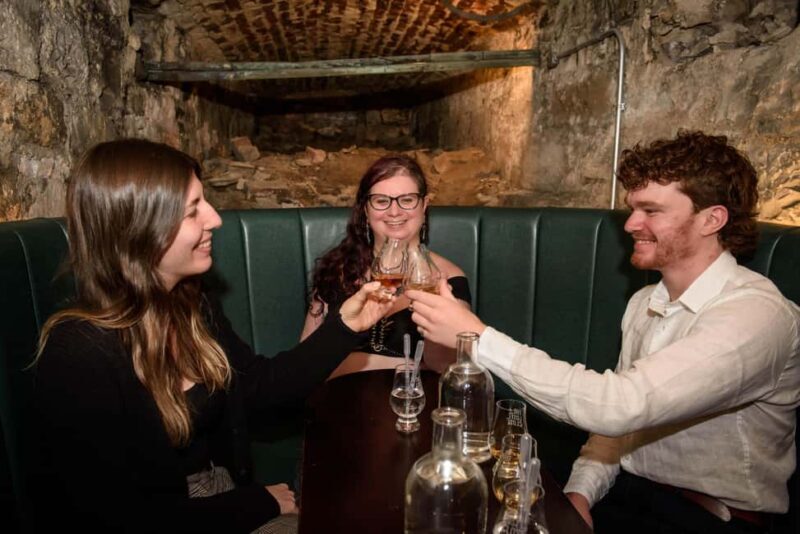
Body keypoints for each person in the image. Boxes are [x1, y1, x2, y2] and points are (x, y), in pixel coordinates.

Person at [407, 131, 800, 533]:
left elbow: (618, 406)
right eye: (632, 209)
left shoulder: (755, 316)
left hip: (711, 517)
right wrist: (580, 494)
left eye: (651, 211)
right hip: (630, 494)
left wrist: (478, 336)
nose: (631, 223)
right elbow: (618, 432)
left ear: (712, 219)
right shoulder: (645, 301)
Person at [31, 139, 394, 533]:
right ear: (138, 228)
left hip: (221, 501)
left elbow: (260, 388)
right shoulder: (77, 354)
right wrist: (257, 501)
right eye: (193, 210)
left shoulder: (191, 306)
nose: (215, 218)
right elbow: (121, 520)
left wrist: (345, 326)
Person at [302, 154, 471, 377]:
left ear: (424, 205)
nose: (394, 211)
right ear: (366, 209)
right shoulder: (338, 268)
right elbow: (304, 358)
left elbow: (449, 371)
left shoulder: (449, 278)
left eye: (407, 199)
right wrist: (405, 365)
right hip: (334, 401)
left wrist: (434, 317)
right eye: (382, 201)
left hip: (412, 405)